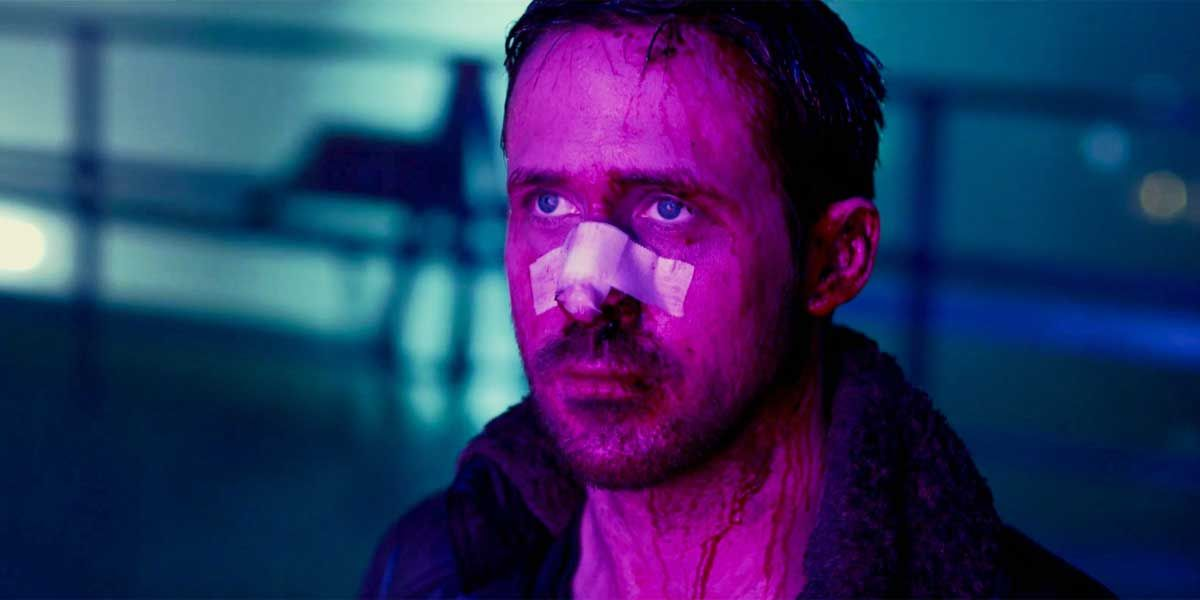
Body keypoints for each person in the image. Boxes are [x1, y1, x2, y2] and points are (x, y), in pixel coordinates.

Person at [361, 1, 1112, 597]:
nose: (583, 291)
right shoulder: (431, 570)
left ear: (834, 260)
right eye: (548, 204)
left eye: (667, 209)